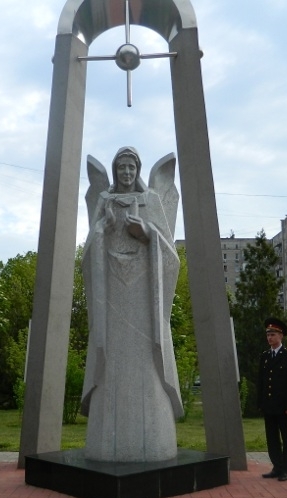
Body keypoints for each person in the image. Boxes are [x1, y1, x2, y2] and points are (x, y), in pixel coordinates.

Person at [81, 147, 183, 462]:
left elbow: (171, 257)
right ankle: (106, 442)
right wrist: (104, 229)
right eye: (121, 168)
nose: (126, 173)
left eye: (130, 168)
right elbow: (87, 256)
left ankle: (154, 441)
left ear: (136, 170)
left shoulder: (150, 200)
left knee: (146, 365)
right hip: (111, 298)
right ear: (114, 170)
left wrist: (146, 233)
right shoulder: (104, 202)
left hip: (143, 301)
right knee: (111, 362)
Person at [258, 317, 287, 481]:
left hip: (283, 406)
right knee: (272, 437)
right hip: (269, 405)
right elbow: (261, 381)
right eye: (268, 334)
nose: (270, 338)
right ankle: (277, 465)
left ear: (281, 336)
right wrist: (260, 402)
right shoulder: (265, 356)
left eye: (273, 334)